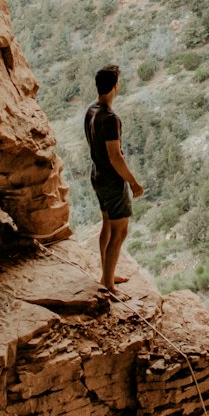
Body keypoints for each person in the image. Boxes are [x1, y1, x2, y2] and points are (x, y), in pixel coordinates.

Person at [84, 64, 143, 292]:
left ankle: (106, 274)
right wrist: (133, 181)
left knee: (107, 224)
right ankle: (108, 285)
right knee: (120, 231)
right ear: (115, 87)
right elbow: (115, 156)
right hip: (110, 179)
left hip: (96, 174)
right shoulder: (110, 118)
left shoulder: (91, 110)